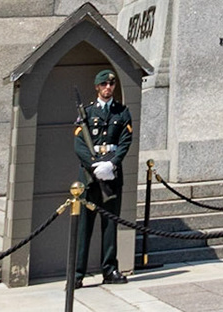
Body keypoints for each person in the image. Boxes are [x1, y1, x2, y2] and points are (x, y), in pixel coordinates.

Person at [75, 69, 134, 285]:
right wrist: (93, 166)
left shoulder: (122, 112)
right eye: (104, 85)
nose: (108, 88)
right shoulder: (87, 113)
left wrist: (112, 164)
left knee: (110, 225)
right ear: (97, 87)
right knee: (84, 227)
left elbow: (126, 140)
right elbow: (79, 144)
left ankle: (110, 270)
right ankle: (77, 274)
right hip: (90, 178)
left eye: (111, 84)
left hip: (111, 175)